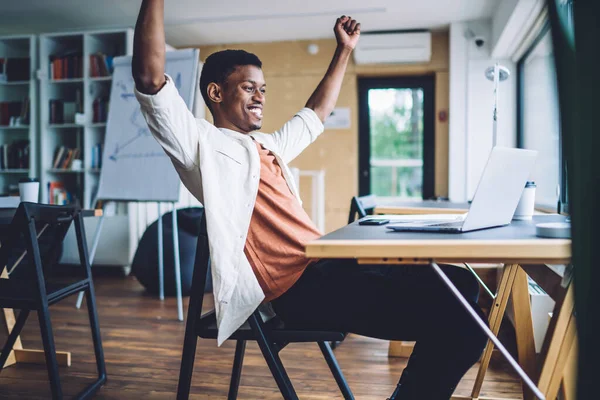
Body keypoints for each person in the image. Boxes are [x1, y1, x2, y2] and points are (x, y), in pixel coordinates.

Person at [132, 1, 487, 398]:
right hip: (299, 293)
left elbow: (317, 112)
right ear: (216, 92)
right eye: (249, 87)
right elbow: (149, 78)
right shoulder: (200, 144)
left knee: (461, 283)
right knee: (464, 322)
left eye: (262, 89)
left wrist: (345, 50)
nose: (259, 97)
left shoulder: (268, 146)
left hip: (329, 268)